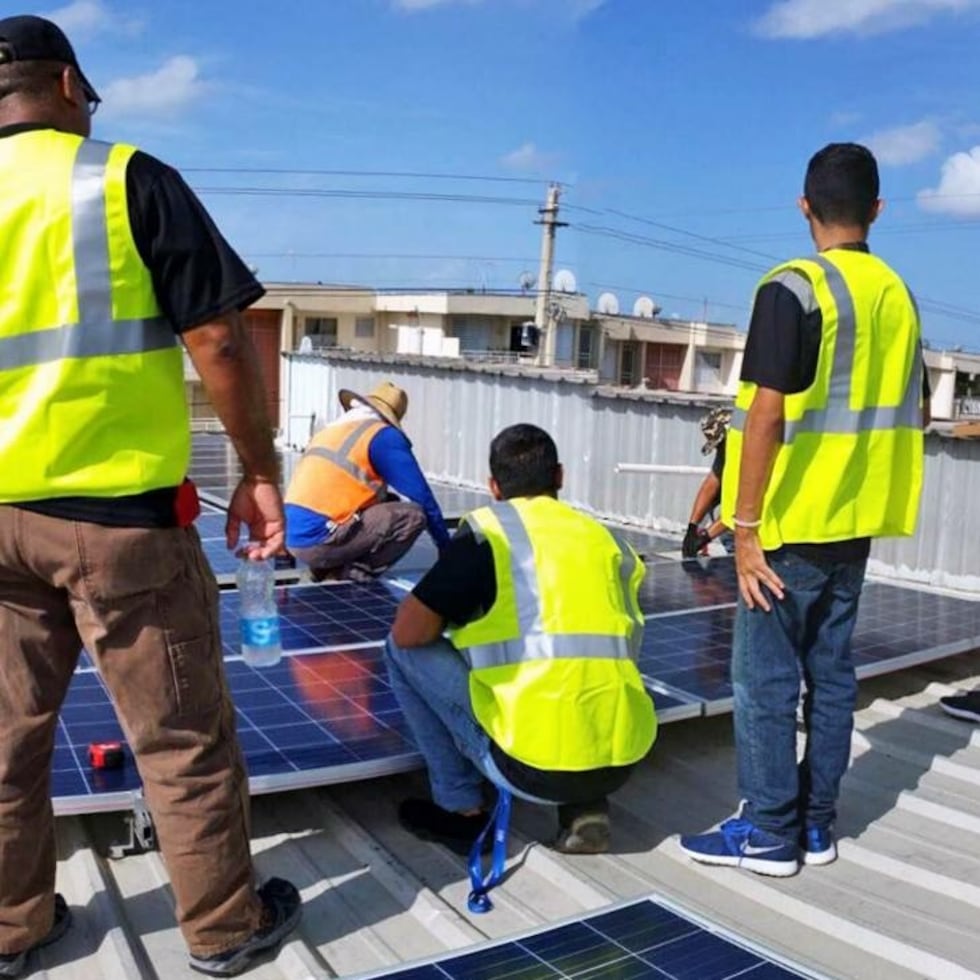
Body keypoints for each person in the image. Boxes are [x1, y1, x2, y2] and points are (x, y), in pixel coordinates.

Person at [0, 15, 300, 978]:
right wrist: (258, 472)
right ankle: (221, 930)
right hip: (121, 527)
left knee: (5, 741)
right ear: (70, 86)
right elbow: (219, 341)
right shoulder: (126, 177)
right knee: (180, 739)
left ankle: (13, 930)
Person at [680, 143, 927, 877]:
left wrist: (745, 529)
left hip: (786, 529)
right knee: (833, 676)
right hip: (858, 521)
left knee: (765, 684)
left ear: (804, 207)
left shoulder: (794, 286)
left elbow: (765, 416)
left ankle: (767, 834)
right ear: (877, 210)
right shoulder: (899, 295)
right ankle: (817, 827)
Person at [385, 424, 656, 855]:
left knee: (400, 648)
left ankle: (461, 812)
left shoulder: (491, 536)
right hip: (622, 758)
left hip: (531, 768)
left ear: (494, 487)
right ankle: (584, 807)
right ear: (560, 477)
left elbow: (408, 631)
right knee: (576, 678)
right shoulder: (608, 542)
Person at [285, 381, 451, 581]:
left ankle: (324, 568)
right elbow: (421, 495)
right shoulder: (383, 436)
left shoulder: (330, 431)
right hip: (320, 542)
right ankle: (351, 573)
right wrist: (447, 550)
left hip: (292, 538)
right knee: (413, 515)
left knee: (386, 499)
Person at [682, 407, 732, 558]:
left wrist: (705, 538)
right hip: (740, 504)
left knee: (730, 524)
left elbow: (739, 509)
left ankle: (736, 555)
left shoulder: (751, 453)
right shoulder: (727, 448)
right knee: (712, 504)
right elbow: (712, 482)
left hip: (763, 512)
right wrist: (692, 527)